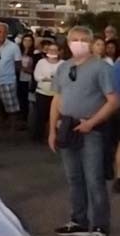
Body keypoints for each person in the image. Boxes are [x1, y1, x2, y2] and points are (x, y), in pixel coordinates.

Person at [50, 26, 118, 236]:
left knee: (94, 179)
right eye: (74, 39)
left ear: (89, 43)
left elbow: (114, 101)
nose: (78, 43)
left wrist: (92, 122)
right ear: (68, 43)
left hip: (92, 129)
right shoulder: (63, 68)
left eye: (82, 39)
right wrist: (52, 130)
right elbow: (57, 99)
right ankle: (78, 219)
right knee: (74, 178)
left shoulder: (101, 68)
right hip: (68, 128)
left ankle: (100, 225)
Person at [33, 42, 63, 142]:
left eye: (55, 50)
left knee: (56, 116)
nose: (52, 52)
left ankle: (55, 135)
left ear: (58, 52)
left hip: (57, 94)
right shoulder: (41, 62)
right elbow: (37, 76)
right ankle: (39, 137)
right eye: (50, 50)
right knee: (41, 115)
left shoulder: (63, 64)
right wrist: (48, 79)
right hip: (42, 92)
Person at [17, 34, 36, 123]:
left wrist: (26, 70)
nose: (27, 42)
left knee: (25, 99)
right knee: (18, 97)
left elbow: (35, 69)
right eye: (25, 40)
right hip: (17, 78)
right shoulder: (17, 51)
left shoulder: (35, 54)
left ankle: (24, 118)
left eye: (29, 40)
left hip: (27, 79)